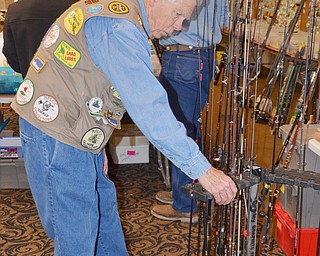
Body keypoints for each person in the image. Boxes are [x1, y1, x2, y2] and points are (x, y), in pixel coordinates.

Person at [8, 0, 237, 255]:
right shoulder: (119, 26)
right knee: (77, 236)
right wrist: (203, 170)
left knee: (104, 221)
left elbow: (86, 77)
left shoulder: (123, 13)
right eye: (177, 14)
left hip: (77, 131)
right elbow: (150, 108)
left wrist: (97, 141)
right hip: (57, 135)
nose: (179, 26)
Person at [151, 0, 229, 223]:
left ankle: (186, 205)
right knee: (184, 128)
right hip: (198, 57)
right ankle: (183, 192)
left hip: (183, 58)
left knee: (181, 132)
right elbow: (224, 21)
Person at [2, 0, 79, 79]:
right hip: (77, 85)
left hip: (35, 85)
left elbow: (12, 58)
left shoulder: (16, 11)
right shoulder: (83, 7)